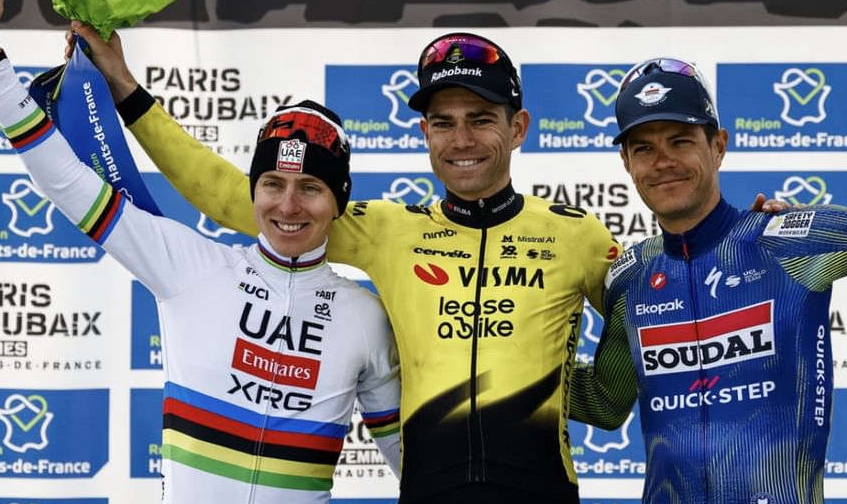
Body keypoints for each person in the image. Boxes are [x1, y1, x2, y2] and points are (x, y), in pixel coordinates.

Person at [71, 25, 620, 504]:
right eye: (443, 122)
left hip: (543, 491)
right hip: (429, 493)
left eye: (480, 120)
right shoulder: (392, 231)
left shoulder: (577, 235)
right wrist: (124, 87)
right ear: (424, 133)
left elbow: (629, 357)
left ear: (518, 127)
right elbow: (228, 197)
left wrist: (555, 379)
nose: (461, 140)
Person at [0, 32, 402, 504]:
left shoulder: (367, 318)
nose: (288, 206)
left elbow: (416, 468)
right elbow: (66, 181)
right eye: (272, 184)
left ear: (339, 201)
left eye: (310, 187)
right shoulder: (189, 267)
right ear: (253, 191)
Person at [568, 57, 847, 504]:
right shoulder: (630, 278)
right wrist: (510, 359)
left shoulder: (789, 242)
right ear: (626, 161)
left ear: (718, 146)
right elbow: (604, 403)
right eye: (644, 148)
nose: (662, 162)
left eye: (680, 141)